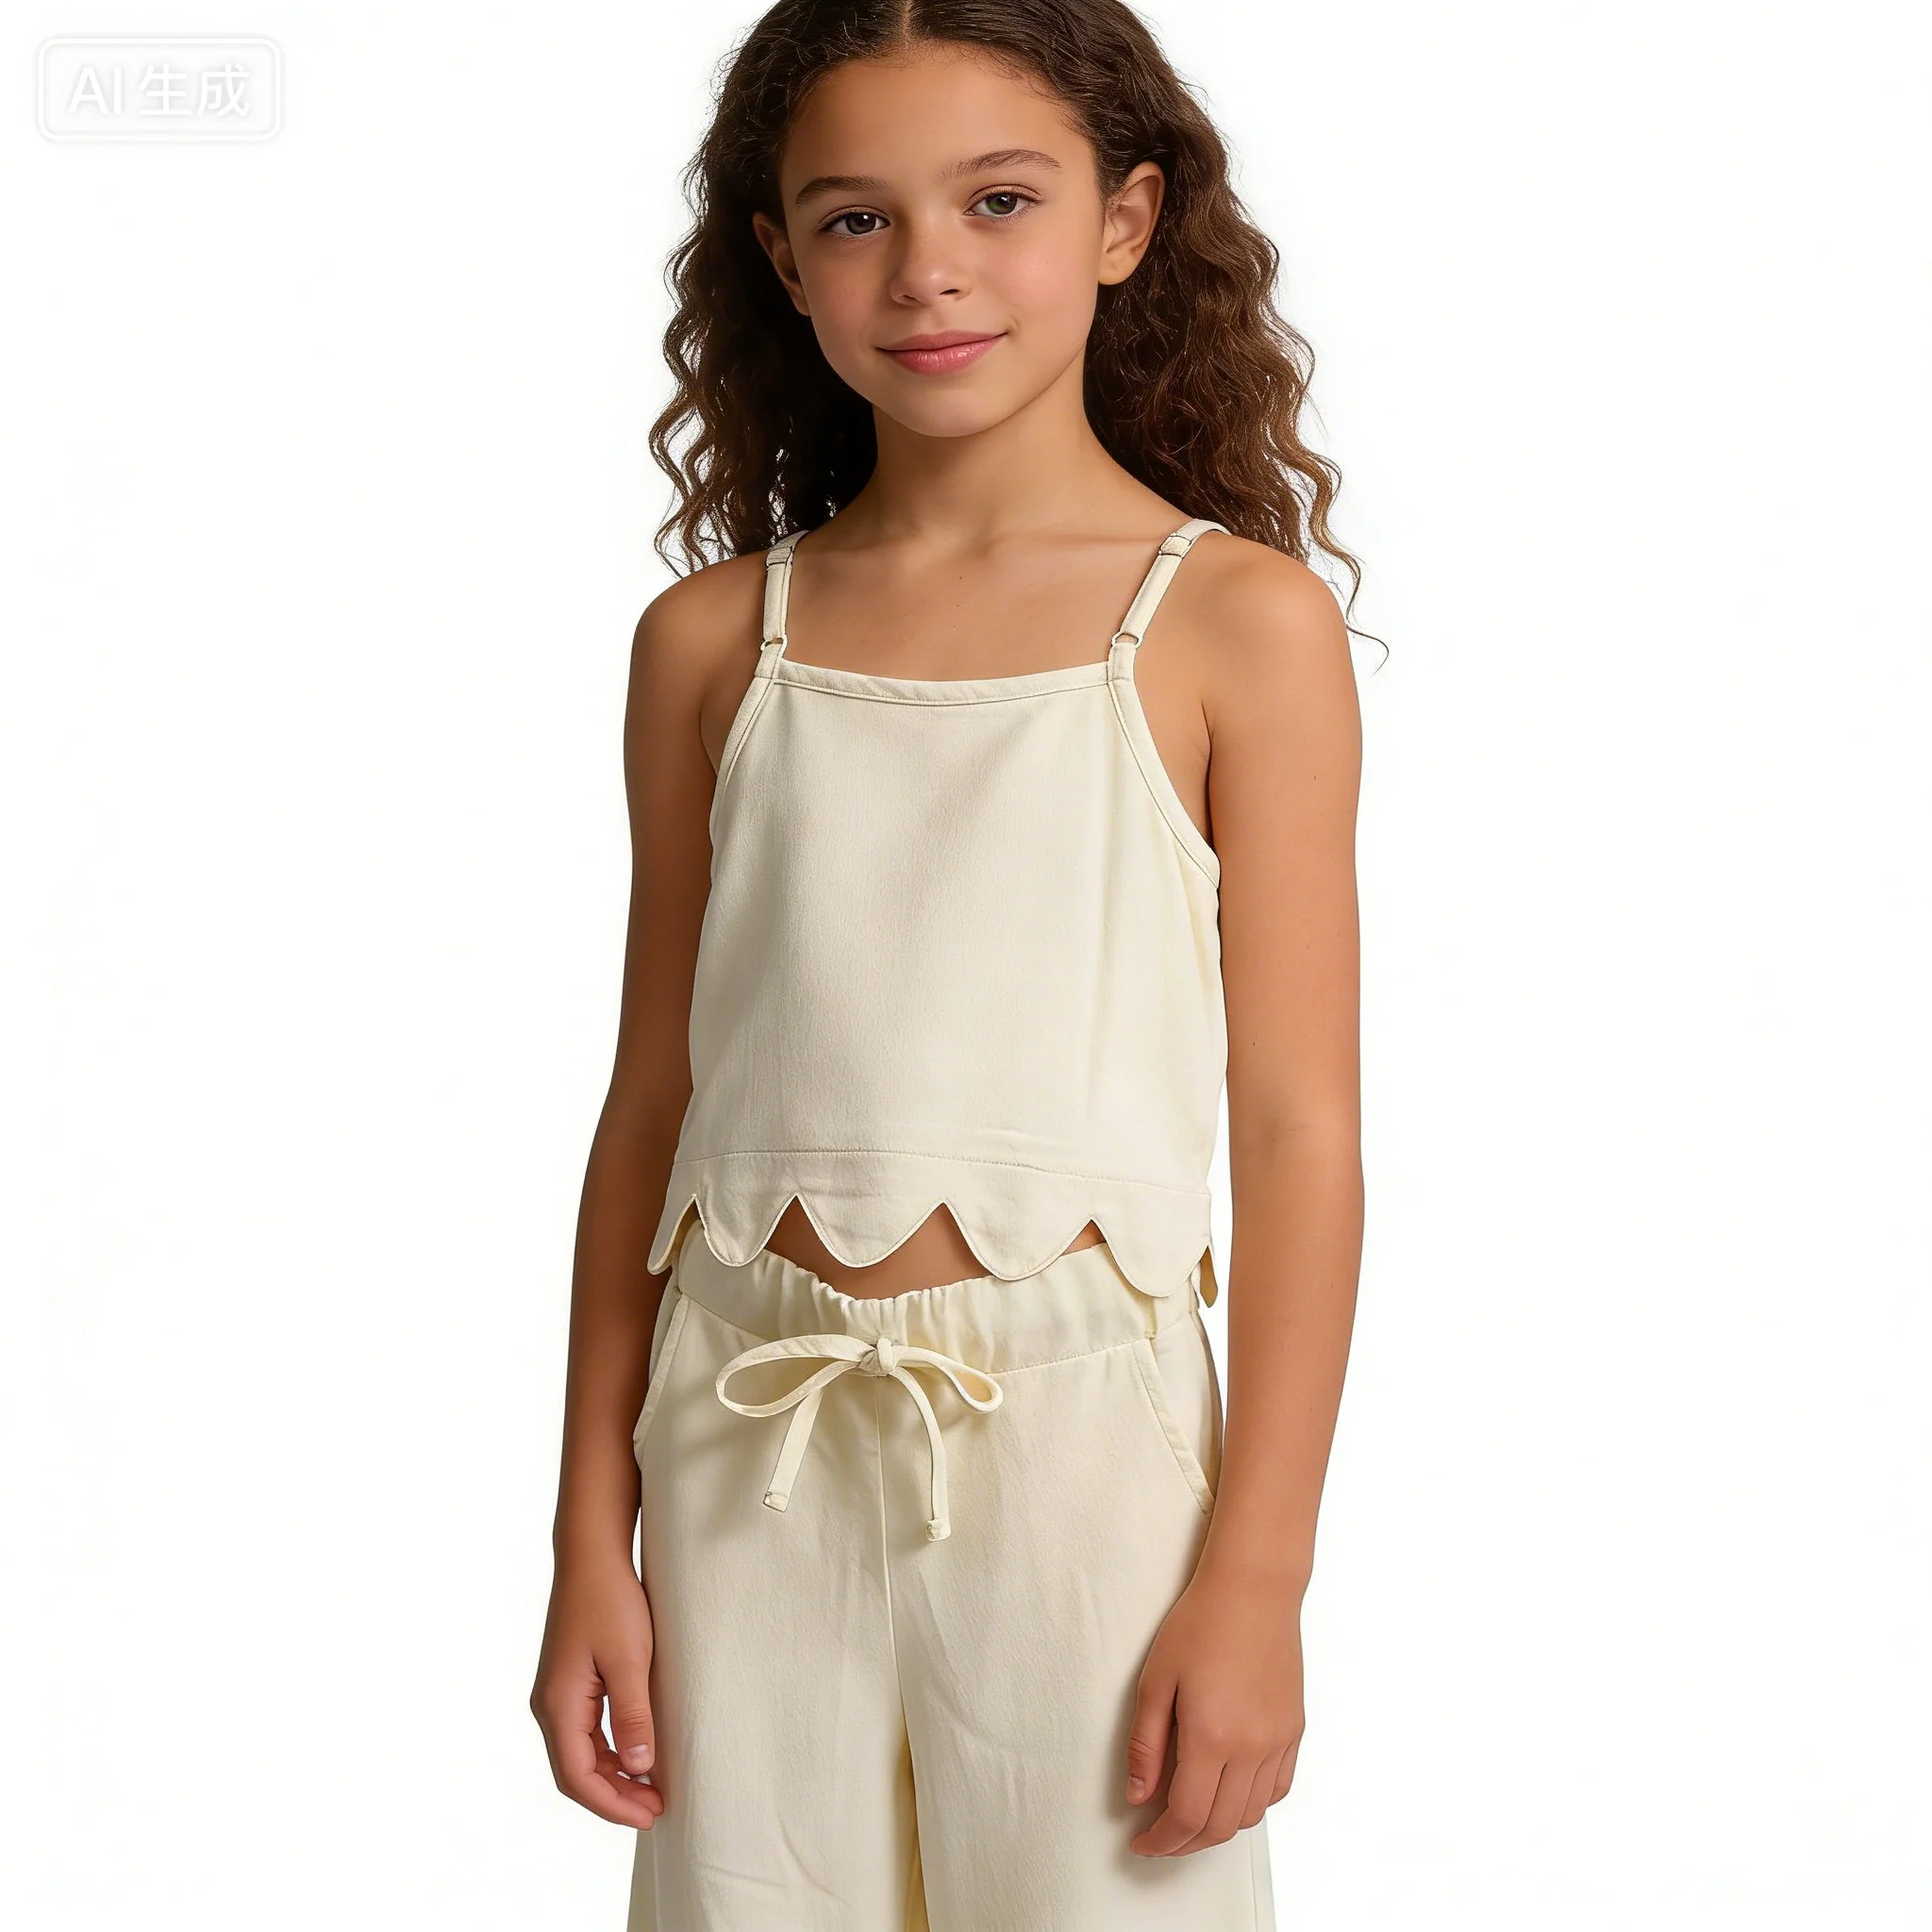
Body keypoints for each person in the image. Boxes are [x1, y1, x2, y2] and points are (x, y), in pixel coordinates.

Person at [530, 3, 1367, 1925]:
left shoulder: (1232, 626)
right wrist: (589, 1534)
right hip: (743, 1438)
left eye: (998, 199)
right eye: (855, 217)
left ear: (1124, 220)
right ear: (779, 258)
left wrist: (1257, 1580)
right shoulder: (712, 645)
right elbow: (654, 1106)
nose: (927, 271)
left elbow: (1298, 1130)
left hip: (1084, 1458)